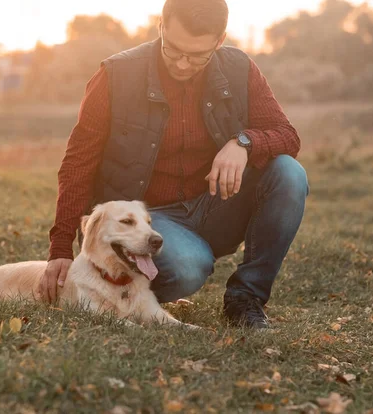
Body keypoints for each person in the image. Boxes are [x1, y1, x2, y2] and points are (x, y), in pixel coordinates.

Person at [39, 0, 309, 329]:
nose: (182, 64)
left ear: (219, 40)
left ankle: (245, 298)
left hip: (214, 206)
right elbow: (77, 164)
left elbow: (288, 137)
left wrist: (244, 143)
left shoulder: (239, 69)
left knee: (289, 174)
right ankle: (121, 292)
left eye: (197, 56)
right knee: (187, 268)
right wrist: (60, 249)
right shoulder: (115, 76)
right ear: (161, 27)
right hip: (146, 221)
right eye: (174, 50)